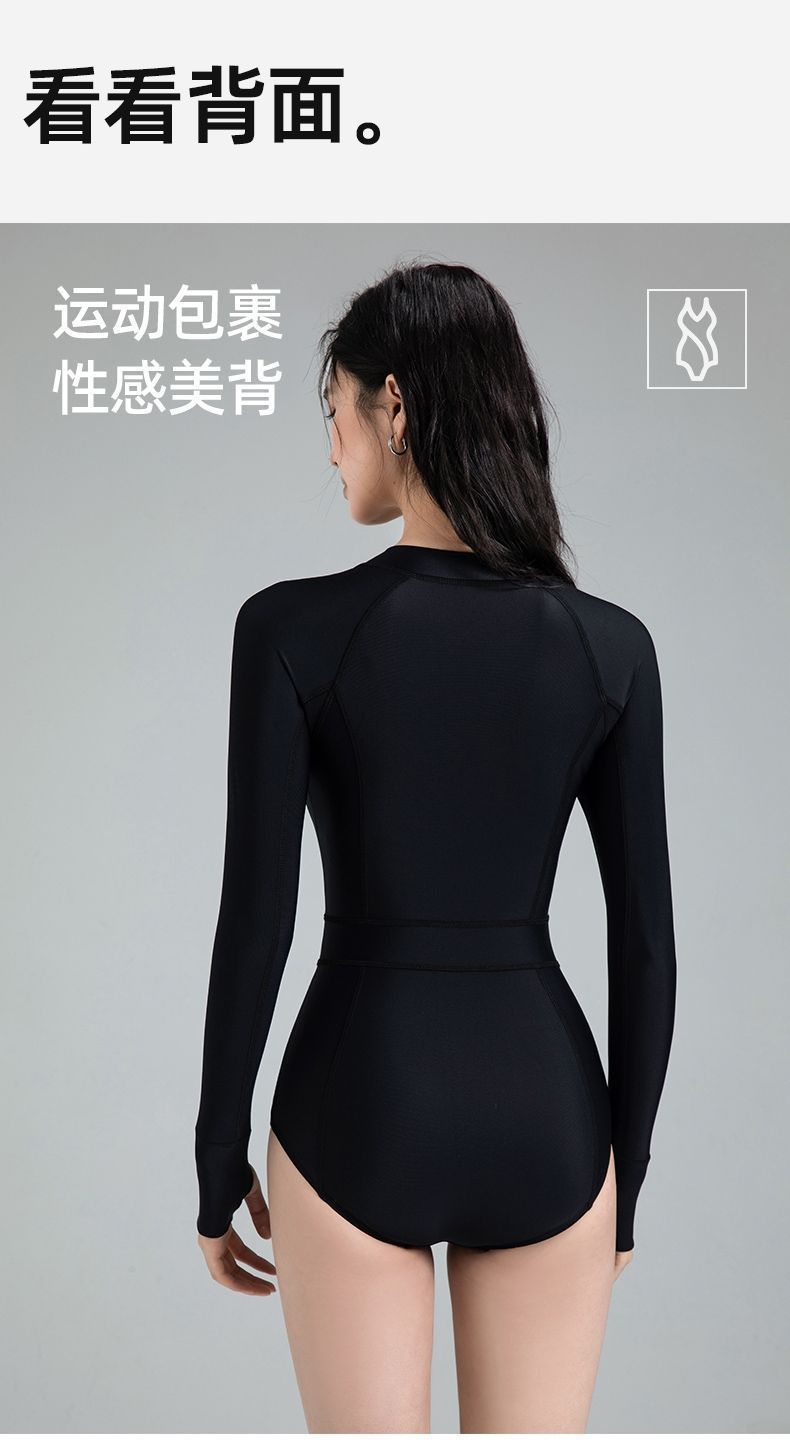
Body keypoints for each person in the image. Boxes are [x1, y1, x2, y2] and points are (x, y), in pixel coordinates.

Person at [193, 260, 677, 1433]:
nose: (330, 449)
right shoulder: (609, 646)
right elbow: (645, 944)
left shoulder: (290, 628)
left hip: (357, 1096)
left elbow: (255, 923)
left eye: (334, 412)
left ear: (394, 406)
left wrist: (216, 1163)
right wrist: (622, 1176)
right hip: (549, 1114)